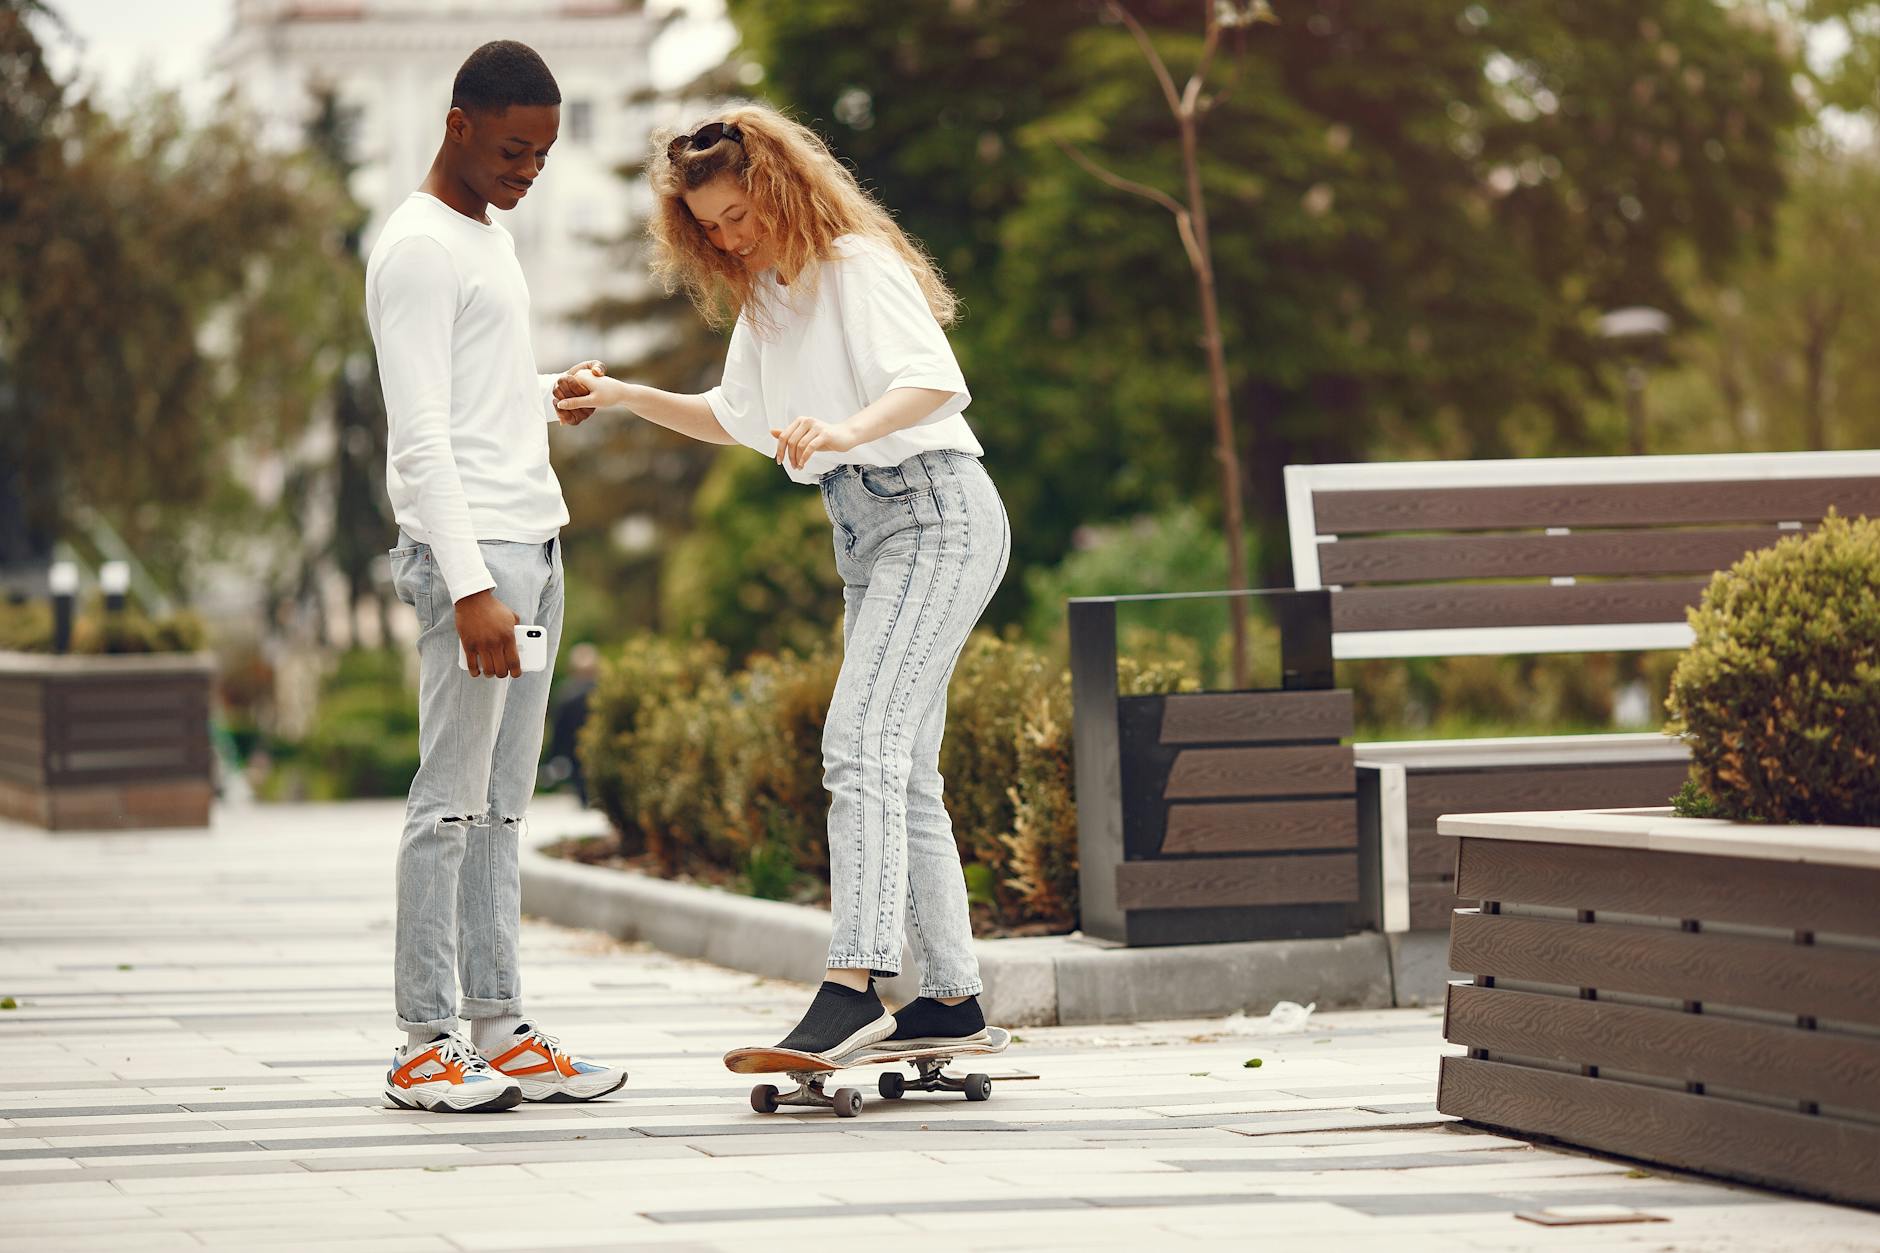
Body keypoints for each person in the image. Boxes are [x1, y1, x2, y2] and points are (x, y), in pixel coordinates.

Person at [556, 103, 1009, 1059]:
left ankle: (855, 980)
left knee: (858, 743)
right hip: (868, 531)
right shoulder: (768, 298)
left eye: (742, 214)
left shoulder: (855, 266)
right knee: (902, 768)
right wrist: (627, 395)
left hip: (937, 513)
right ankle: (953, 1000)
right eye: (712, 226)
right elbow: (735, 416)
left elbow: (933, 381)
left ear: (780, 188)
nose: (732, 236)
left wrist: (847, 429)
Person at [365, 39, 625, 1112]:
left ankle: (498, 1023)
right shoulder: (417, 249)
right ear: (457, 125)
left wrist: (540, 389)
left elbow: (470, 393)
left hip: (535, 543)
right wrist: (469, 585)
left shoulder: (485, 235)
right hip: (476, 557)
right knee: (446, 805)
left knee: (503, 809)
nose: (531, 170)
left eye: (545, 153)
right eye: (515, 149)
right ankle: (424, 1039)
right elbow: (422, 432)